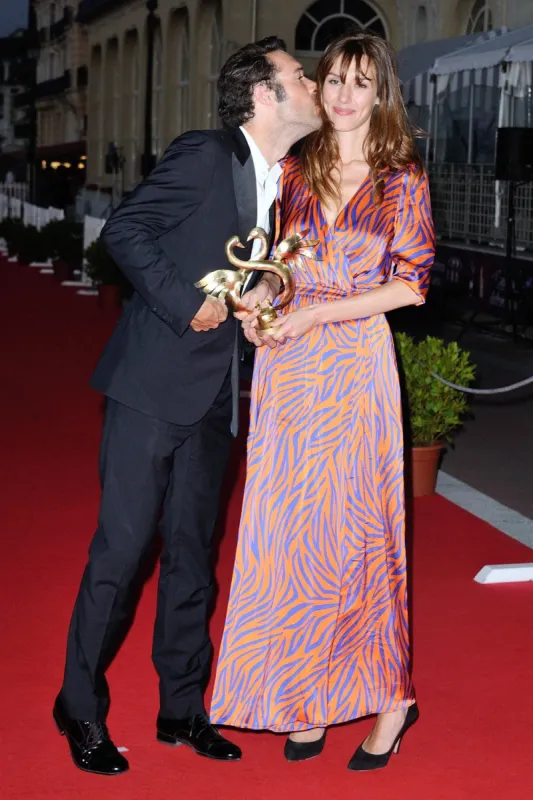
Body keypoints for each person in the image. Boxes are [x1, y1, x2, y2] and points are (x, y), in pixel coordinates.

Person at [53, 36, 318, 776]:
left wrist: (262, 295)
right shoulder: (206, 154)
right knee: (123, 551)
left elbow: (258, 267)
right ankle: (78, 704)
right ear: (263, 94)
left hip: (214, 396)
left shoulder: (284, 178)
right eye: (299, 76)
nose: (312, 85)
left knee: (193, 557)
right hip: (150, 386)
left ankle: (182, 707)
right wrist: (186, 303)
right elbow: (126, 230)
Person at [210, 31, 435, 771]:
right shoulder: (294, 170)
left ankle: (391, 700)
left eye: (360, 83)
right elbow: (273, 266)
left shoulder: (400, 178)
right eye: (334, 79)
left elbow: (410, 285)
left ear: (381, 93)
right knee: (291, 537)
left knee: (361, 534)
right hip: (290, 371)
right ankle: (305, 695)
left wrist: (317, 315)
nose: (342, 95)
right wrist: (257, 302)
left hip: (355, 365)